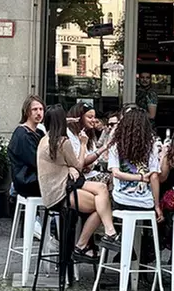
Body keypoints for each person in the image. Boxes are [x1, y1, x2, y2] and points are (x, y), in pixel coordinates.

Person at [39, 105, 121, 262]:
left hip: (58, 187)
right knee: (102, 205)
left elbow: (70, 164)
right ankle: (84, 244)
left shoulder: (45, 139)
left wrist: (71, 166)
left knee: (102, 190)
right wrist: (83, 144)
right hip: (61, 192)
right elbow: (79, 164)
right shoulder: (64, 142)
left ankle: (108, 233)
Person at [109, 107, 163, 220]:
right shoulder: (151, 146)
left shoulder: (115, 146)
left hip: (120, 200)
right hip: (145, 202)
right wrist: (157, 206)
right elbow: (154, 177)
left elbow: (116, 173)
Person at [9, 96, 45, 200]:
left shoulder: (39, 132)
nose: (39, 113)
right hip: (28, 181)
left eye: (41, 109)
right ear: (27, 112)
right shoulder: (22, 134)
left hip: (37, 178)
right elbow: (36, 161)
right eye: (34, 109)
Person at [68, 103, 109, 183]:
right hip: (79, 179)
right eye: (90, 117)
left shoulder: (89, 133)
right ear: (79, 118)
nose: (93, 120)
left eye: (94, 117)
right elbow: (79, 163)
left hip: (92, 173)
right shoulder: (69, 134)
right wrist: (104, 147)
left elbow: (94, 159)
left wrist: (91, 164)